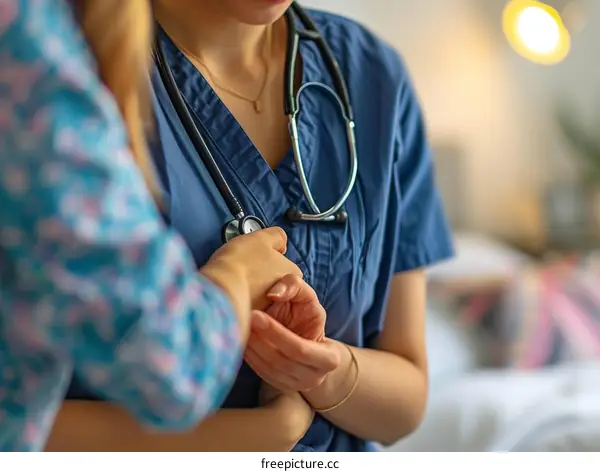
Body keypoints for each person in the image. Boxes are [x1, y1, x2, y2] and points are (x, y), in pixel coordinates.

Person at [58, 0, 455, 452]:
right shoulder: (60, 67)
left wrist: (327, 370)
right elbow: (20, 417)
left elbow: (404, 404)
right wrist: (266, 434)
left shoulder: (371, 74)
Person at [0, 0, 312, 452]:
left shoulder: (365, 67)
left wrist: (336, 374)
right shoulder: (27, 39)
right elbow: (170, 368)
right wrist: (238, 275)